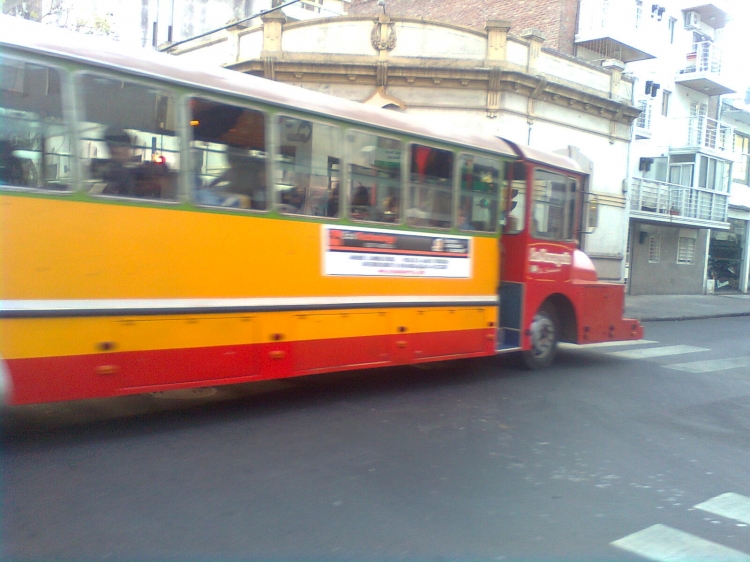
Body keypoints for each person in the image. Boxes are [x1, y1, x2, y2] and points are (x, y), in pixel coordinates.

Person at [100, 126, 138, 196]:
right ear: (115, 148)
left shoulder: (106, 171)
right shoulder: (121, 173)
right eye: (127, 146)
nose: (129, 151)